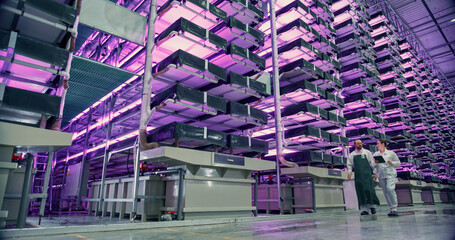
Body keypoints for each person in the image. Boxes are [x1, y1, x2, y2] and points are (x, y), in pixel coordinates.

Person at [347, 139, 380, 215]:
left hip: (368, 175)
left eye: (361, 143)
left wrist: (374, 172)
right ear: (355, 145)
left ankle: (373, 207)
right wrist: (349, 172)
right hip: (358, 176)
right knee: (360, 191)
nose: (360, 144)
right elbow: (349, 165)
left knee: (370, 190)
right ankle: (364, 209)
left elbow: (372, 163)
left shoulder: (367, 152)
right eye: (358, 143)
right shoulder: (352, 155)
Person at [373, 139, 401, 217]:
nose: (377, 145)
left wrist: (392, 163)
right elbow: (373, 165)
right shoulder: (376, 154)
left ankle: (395, 208)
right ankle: (391, 208)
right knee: (385, 192)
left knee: (390, 189)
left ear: (383, 144)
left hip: (390, 174)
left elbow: (398, 163)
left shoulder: (391, 153)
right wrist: (374, 169)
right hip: (381, 175)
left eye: (378, 143)